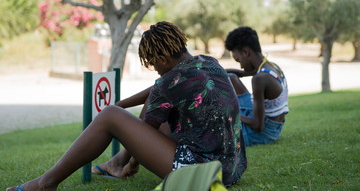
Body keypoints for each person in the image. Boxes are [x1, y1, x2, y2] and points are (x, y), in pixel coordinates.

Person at [7, 21, 246, 191]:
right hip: (230, 168)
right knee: (141, 109)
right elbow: (157, 91)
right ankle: (116, 163)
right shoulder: (208, 62)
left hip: (202, 173)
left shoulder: (169, 82)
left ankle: (45, 183)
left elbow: (147, 124)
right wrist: (121, 104)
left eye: (153, 64)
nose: (155, 69)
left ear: (163, 59)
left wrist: (116, 118)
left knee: (111, 116)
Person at [225, 26, 289, 146]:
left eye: (238, 60)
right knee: (231, 77)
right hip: (274, 127)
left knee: (218, 131)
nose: (240, 66)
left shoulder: (259, 79)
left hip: (262, 133)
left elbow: (257, 125)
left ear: (245, 52)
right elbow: (240, 73)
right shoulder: (271, 67)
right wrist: (215, 71)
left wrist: (230, 113)